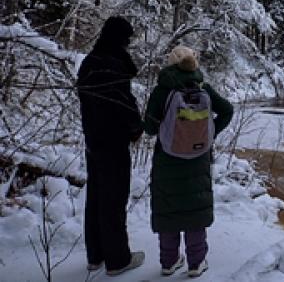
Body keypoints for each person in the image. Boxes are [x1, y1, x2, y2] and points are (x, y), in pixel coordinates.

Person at [144, 46, 233, 278]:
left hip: (167, 160)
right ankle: (196, 263)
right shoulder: (204, 88)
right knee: (195, 210)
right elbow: (228, 111)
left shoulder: (162, 91)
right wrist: (209, 134)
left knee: (168, 210)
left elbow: (150, 129)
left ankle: (169, 262)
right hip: (198, 160)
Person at [76, 16, 145, 276]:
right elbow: (123, 102)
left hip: (93, 140)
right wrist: (136, 128)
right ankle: (118, 260)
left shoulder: (89, 63)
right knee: (114, 198)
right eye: (127, 38)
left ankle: (96, 255)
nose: (128, 44)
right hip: (113, 142)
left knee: (95, 196)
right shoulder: (113, 65)